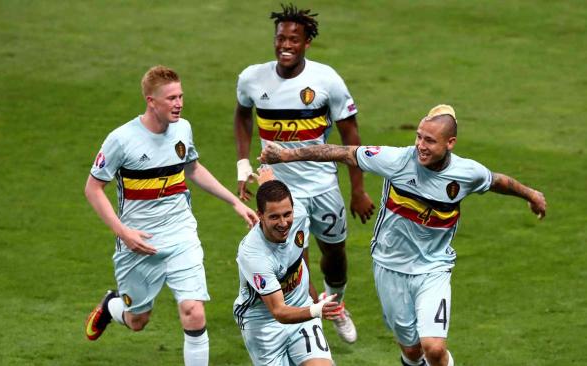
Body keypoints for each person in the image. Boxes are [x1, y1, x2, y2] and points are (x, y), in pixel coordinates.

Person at [259, 104, 547, 366]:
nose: (420, 145)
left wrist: (530, 194)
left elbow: (497, 181)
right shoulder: (395, 160)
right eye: (419, 137)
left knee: (433, 348)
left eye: (429, 141)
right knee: (411, 351)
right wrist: (287, 155)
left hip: (433, 269)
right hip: (389, 266)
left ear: (450, 143)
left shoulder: (466, 172)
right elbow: (343, 153)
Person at [84, 65, 258, 366]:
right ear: (151, 101)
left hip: (181, 234)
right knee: (138, 320)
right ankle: (111, 307)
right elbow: (93, 189)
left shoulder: (183, 129)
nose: (178, 103)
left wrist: (234, 202)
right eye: (171, 98)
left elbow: (192, 168)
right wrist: (124, 233)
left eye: (181, 96)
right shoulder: (121, 140)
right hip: (139, 241)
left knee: (194, 311)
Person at [234, 3, 375, 343]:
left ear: (306, 43)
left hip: (322, 184)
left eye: (293, 40)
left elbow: (350, 137)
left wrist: (358, 190)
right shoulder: (252, 78)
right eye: (280, 38)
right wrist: (243, 166)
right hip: (279, 188)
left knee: (335, 254)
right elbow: (242, 115)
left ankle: (335, 297)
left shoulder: (326, 80)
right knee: (295, 258)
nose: (285, 45)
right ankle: (317, 315)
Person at [234, 167, 340, 366]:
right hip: (263, 324)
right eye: (274, 217)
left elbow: (276, 197)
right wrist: (316, 310)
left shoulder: (298, 214)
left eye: (287, 214)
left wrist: (267, 181)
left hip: (300, 305)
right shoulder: (253, 254)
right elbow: (279, 311)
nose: (283, 223)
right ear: (260, 215)